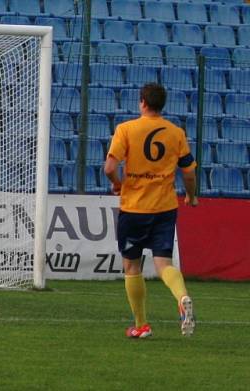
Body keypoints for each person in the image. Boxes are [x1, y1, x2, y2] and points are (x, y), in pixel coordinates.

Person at [103, 83, 198, 339]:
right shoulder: (176, 133)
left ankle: (141, 325)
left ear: (142, 102)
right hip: (165, 208)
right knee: (164, 263)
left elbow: (110, 167)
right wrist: (191, 195)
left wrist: (117, 184)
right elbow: (188, 172)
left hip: (134, 208)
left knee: (132, 266)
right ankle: (182, 297)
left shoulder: (126, 129)